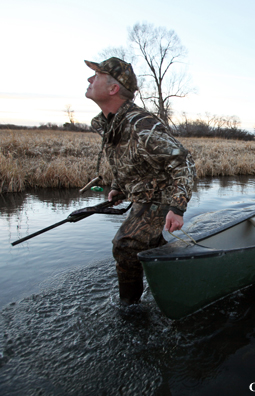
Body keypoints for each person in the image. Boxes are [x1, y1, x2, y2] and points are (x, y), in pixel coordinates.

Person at [84, 57, 196, 305]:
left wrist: (176, 209)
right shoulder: (111, 123)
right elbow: (129, 160)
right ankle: (184, 277)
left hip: (160, 197)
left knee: (125, 246)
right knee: (150, 247)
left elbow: (183, 163)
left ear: (113, 89)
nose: (90, 79)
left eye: (97, 76)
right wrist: (118, 188)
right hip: (142, 195)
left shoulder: (142, 124)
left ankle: (130, 309)